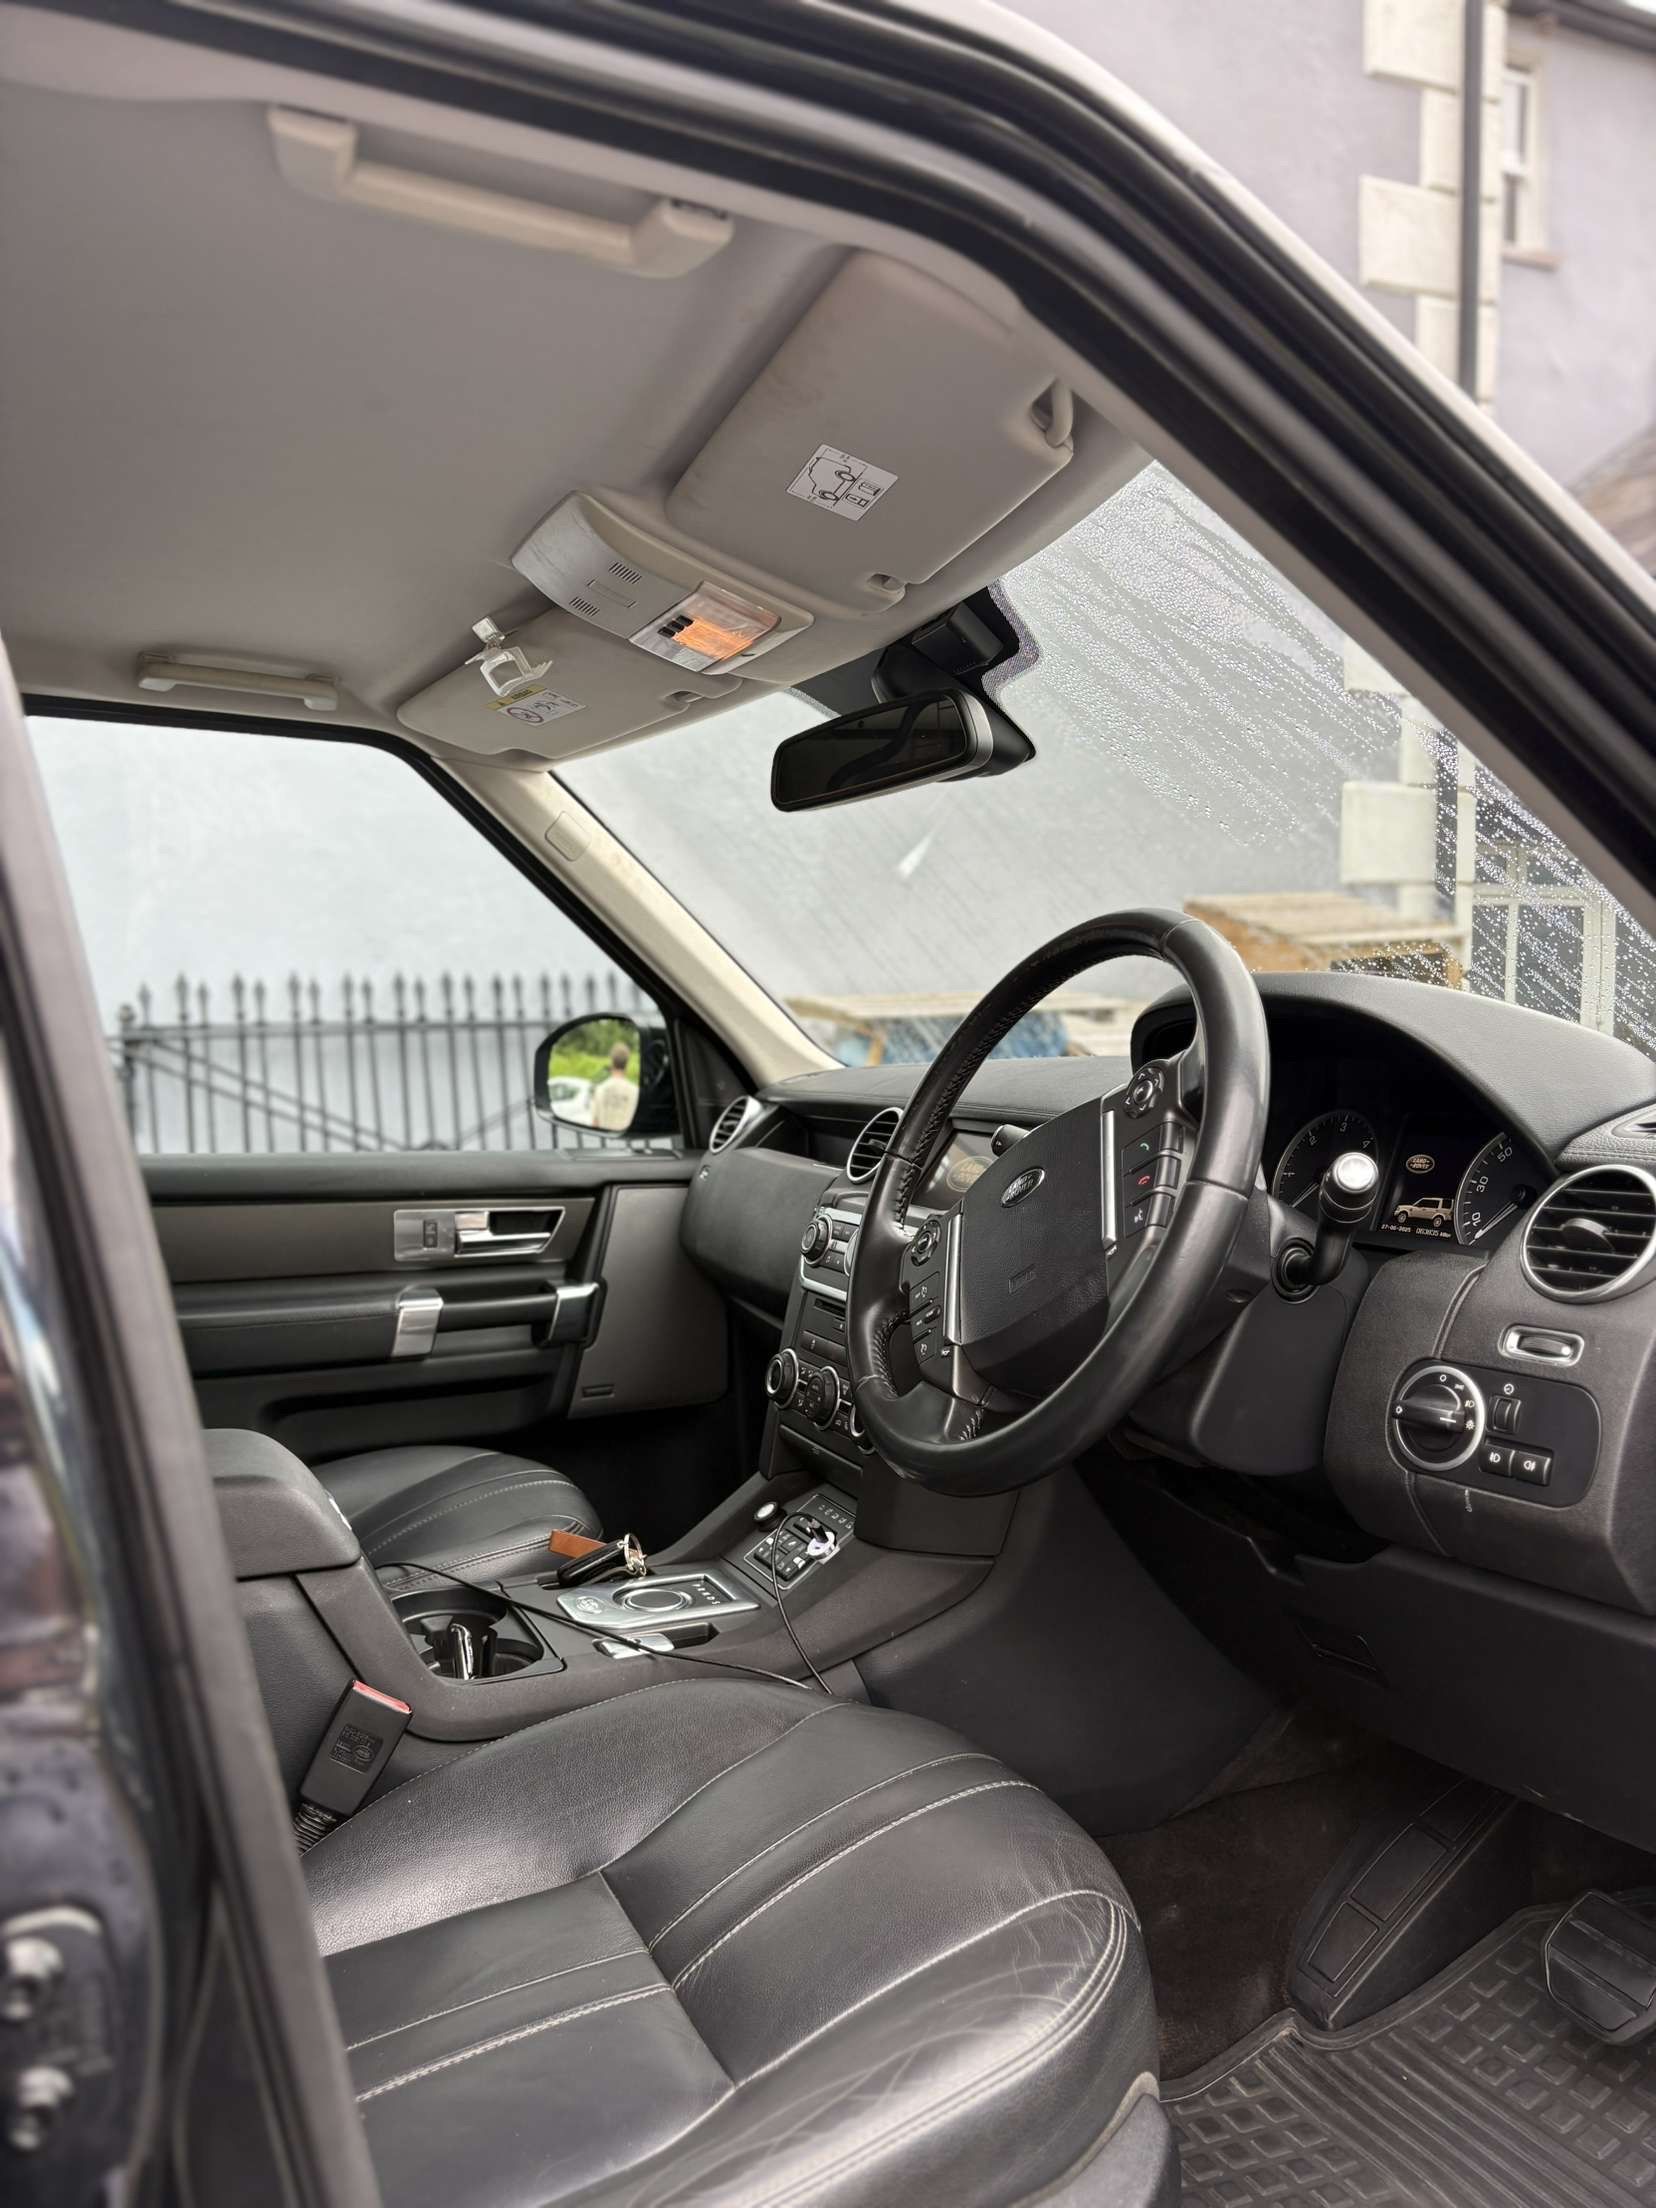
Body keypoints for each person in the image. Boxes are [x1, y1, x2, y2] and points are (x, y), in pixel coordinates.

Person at [589, 1039, 638, 1131]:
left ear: (612, 1062)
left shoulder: (599, 1089)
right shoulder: (635, 1091)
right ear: (627, 1063)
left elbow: (595, 1123)